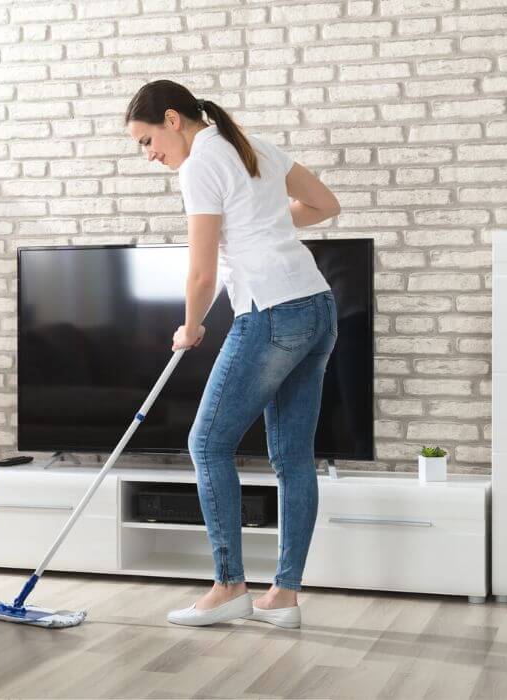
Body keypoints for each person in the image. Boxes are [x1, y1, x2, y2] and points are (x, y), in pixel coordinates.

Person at [124, 80, 342, 629]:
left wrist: (190, 327)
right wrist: (262, 225)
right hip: (316, 305)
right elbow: (325, 205)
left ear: (172, 119)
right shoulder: (253, 144)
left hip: (272, 311)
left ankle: (229, 585)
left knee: (207, 442)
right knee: (293, 458)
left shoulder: (199, 164)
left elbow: (200, 272)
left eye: (147, 141)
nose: (150, 155)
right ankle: (284, 595)